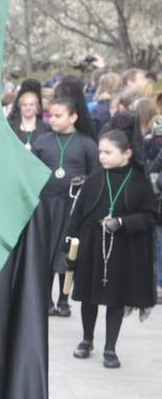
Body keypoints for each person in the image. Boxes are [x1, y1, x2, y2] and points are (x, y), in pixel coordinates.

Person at [67, 127, 157, 368]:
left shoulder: (138, 182)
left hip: (122, 250)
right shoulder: (96, 178)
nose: (102, 157)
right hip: (92, 245)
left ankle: (110, 348)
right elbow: (78, 213)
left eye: (108, 152)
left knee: (115, 299)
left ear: (126, 153)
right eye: (100, 152)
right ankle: (87, 340)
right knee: (88, 297)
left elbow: (150, 216)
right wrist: (70, 241)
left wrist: (122, 222)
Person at [33, 95, 99, 317]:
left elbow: (96, 173)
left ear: (73, 117)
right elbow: (30, 169)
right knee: (47, 252)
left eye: (58, 115)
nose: (52, 119)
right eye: (50, 115)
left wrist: (85, 180)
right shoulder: (42, 141)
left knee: (67, 251)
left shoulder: (87, 143)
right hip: (46, 205)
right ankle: (47, 300)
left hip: (72, 207)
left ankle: (64, 299)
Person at [7, 78, 48, 149]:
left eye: (31, 105)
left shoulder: (45, 128)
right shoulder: (11, 126)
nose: (28, 107)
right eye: (25, 105)